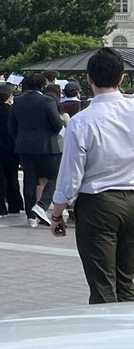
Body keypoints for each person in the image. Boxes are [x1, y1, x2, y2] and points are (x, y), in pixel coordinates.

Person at [49, 47, 134, 303]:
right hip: (132, 199)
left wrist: (57, 212)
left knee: (102, 285)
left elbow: (72, 173)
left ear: (89, 78)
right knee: (127, 281)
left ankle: (105, 337)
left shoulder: (82, 121)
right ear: (122, 78)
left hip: (98, 205)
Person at [9, 72, 64, 227]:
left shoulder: (18, 101)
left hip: (24, 146)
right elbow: (57, 124)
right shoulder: (47, 101)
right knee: (54, 177)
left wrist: (21, 138)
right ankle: (41, 205)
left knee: (29, 180)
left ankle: (30, 216)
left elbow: (11, 126)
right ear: (43, 85)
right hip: (47, 146)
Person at [0, 83, 23, 217]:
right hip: (11, 147)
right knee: (12, 176)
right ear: (9, 96)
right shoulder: (12, 110)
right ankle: (14, 205)